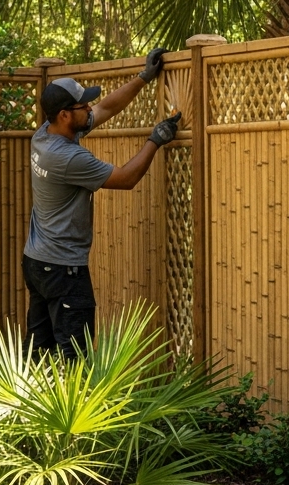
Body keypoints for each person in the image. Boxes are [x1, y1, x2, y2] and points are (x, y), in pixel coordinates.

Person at [22, 47, 181, 358]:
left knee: (40, 352)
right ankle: (72, 407)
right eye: (84, 106)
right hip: (63, 269)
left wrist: (143, 78)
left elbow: (106, 108)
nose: (91, 107)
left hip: (37, 262)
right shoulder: (67, 157)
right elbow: (125, 179)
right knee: (75, 355)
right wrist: (155, 140)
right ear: (66, 114)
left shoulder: (44, 134)